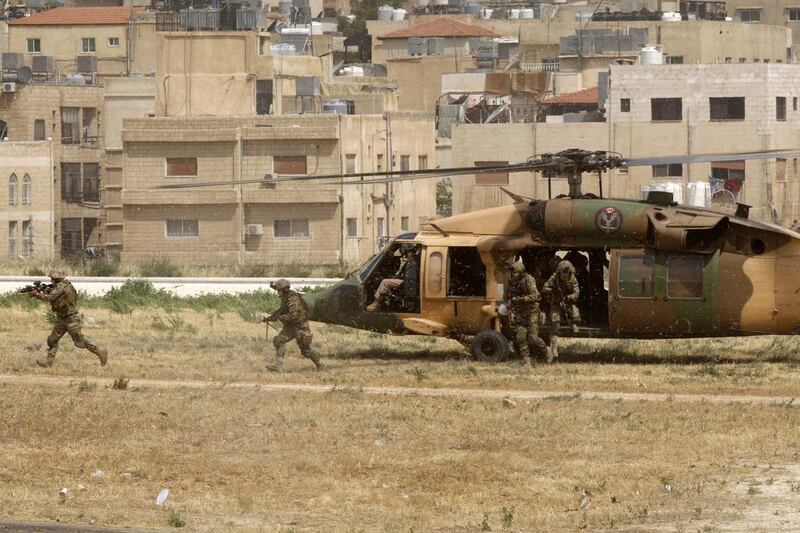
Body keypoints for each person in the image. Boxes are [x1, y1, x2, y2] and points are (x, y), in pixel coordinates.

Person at [29, 269, 108, 368]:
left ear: (55, 279)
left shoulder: (61, 287)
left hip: (71, 319)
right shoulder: (64, 285)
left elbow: (50, 298)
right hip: (63, 319)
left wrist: (37, 294)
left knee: (79, 342)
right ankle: (48, 363)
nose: (51, 280)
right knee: (52, 340)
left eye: (52, 278)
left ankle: (100, 352)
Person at [265, 279, 323, 372]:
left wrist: (280, 317)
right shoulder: (285, 298)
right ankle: (278, 367)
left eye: (278, 290)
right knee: (279, 340)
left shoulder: (293, 298)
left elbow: (293, 316)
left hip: (300, 327)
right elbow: (281, 310)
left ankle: (320, 365)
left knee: (305, 350)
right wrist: (272, 317)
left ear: (284, 290)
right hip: (290, 327)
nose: (277, 292)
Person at [506, 261, 549, 367]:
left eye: (515, 272)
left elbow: (536, 296)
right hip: (520, 312)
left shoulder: (529, 280)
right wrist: (509, 301)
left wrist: (522, 299)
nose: (512, 274)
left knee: (533, 338)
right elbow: (509, 295)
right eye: (512, 272)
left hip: (532, 311)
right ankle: (526, 361)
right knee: (520, 337)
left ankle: (547, 350)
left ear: (521, 273)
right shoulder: (512, 281)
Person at [541, 260, 581, 361]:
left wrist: (568, 297)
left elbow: (577, 293)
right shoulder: (554, 278)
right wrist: (553, 291)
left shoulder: (573, 279)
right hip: (555, 303)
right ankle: (553, 349)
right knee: (555, 323)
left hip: (567, 302)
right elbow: (544, 288)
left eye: (566, 273)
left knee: (575, 314)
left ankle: (573, 323)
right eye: (563, 273)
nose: (564, 275)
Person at [366, 244, 418, 312]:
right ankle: (385, 302)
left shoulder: (412, 261)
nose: (404, 255)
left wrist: (398, 278)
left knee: (385, 282)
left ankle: (376, 304)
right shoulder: (411, 260)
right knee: (386, 280)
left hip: (407, 283)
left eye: (405, 253)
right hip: (406, 281)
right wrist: (395, 277)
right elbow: (402, 273)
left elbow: (410, 277)